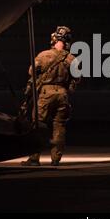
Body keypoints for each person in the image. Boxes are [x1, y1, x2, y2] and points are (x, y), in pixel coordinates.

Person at [21, 26, 80, 166]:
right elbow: (76, 80)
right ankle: (56, 159)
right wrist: (66, 89)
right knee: (59, 125)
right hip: (62, 94)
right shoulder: (72, 59)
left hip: (45, 94)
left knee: (38, 124)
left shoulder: (43, 55)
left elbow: (32, 73)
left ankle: (34, 157)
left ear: (54, 39)